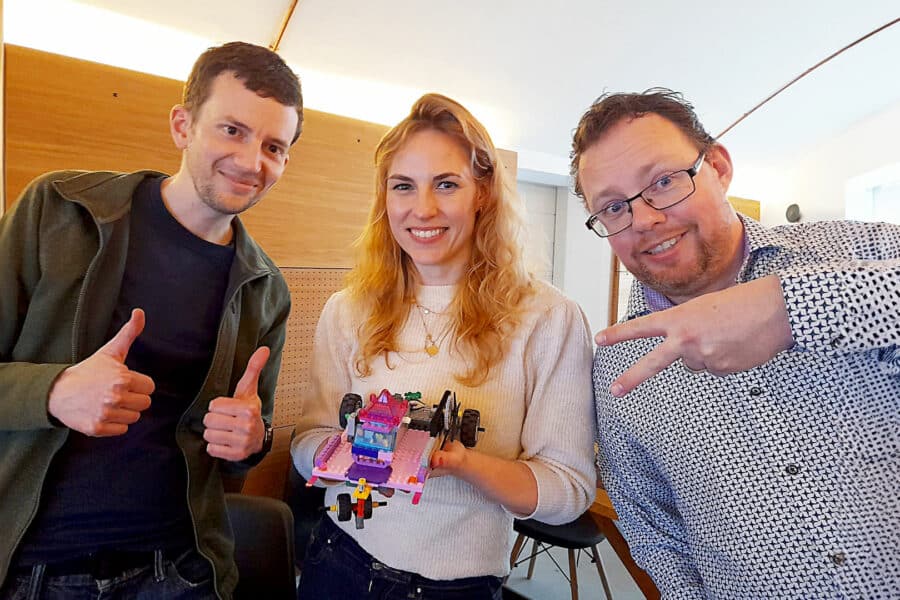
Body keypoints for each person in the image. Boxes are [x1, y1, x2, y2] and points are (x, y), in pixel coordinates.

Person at [0, 41, 303, 599]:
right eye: (232, 130)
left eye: (273, 147)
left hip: (180, 572)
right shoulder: (58, 211)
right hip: (33, 571)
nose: (251, 161)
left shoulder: (267, 291)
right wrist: (53, 391)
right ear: (183, 125)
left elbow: (243, 443)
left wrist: (251, 439)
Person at [572, 88, 900, 597]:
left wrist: (790, 309)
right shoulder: (620, 367)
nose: (645, 219)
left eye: (663, 181)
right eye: (614, 207)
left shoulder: (862, 249)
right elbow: (652, 531)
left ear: (719, 167)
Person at [291, 93, 596, 599]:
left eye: (446, 184)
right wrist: (350, 456)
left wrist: (463, 465)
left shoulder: (549, 318)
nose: (423, 209)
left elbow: (568, 490)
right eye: (403, 186)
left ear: (483, 193)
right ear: (385, 199)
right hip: (338, 559)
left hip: (456, 587)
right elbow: (309, 442)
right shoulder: (348, 309)